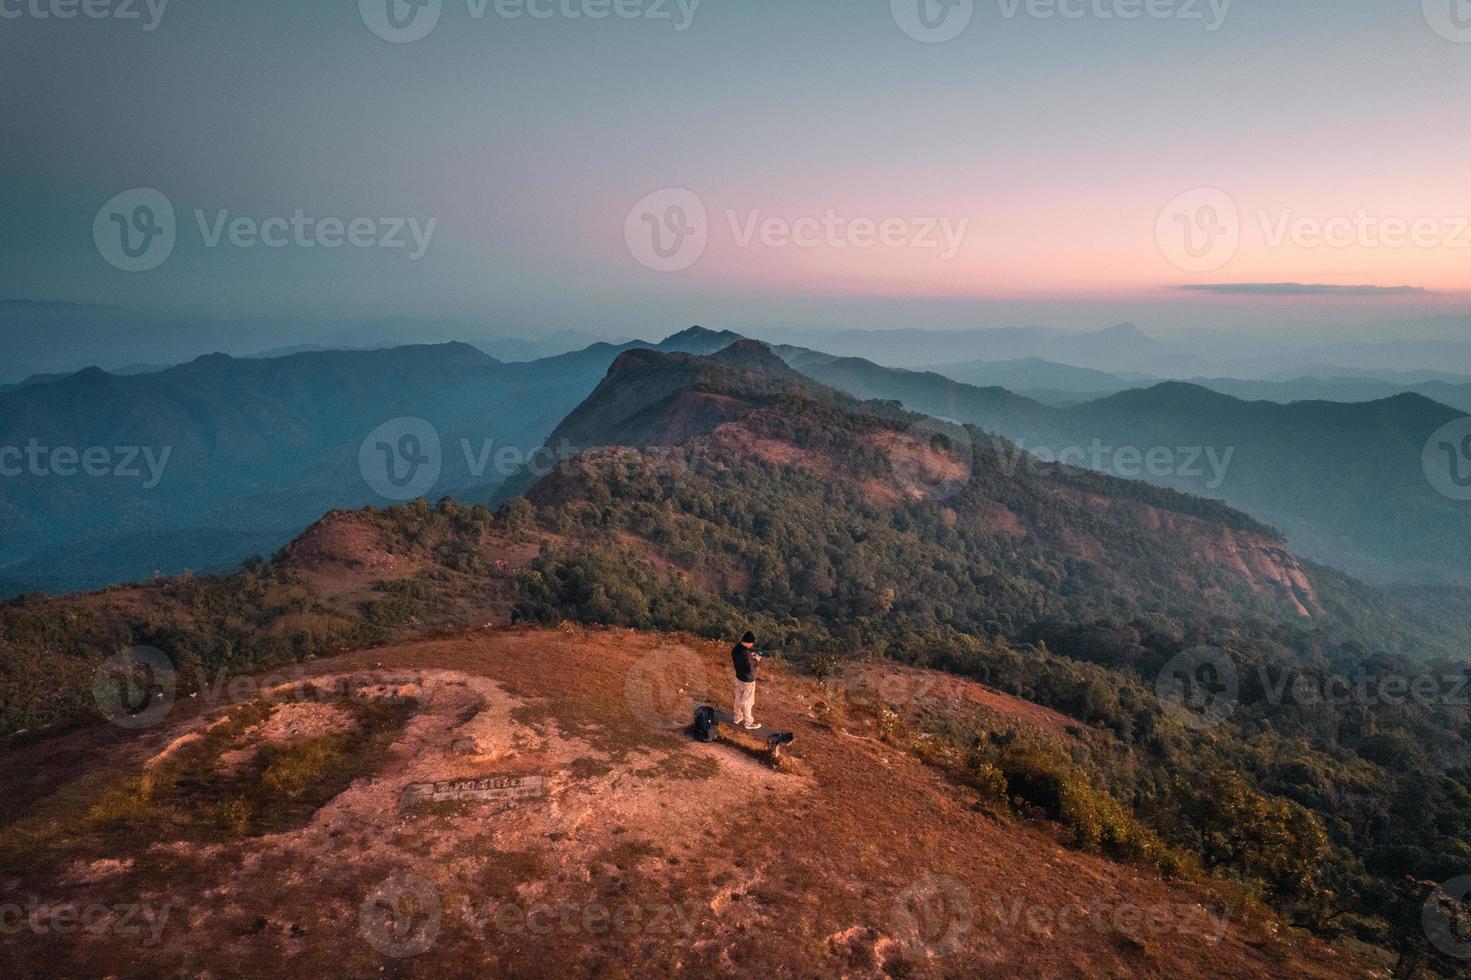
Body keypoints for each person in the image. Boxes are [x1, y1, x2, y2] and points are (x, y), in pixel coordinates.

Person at [730, 630, 763, 730]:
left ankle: (737, 717)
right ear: (748, 642)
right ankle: (749, 722)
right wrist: (756, 661)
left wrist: (750, 656)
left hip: (739, 678)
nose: (751, 645)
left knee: (738, 699)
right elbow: (750, 669)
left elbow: (742, 661)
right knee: (748, 702)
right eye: (751, 643)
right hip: (748, 681)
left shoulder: (735, 649)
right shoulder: (746, 654)